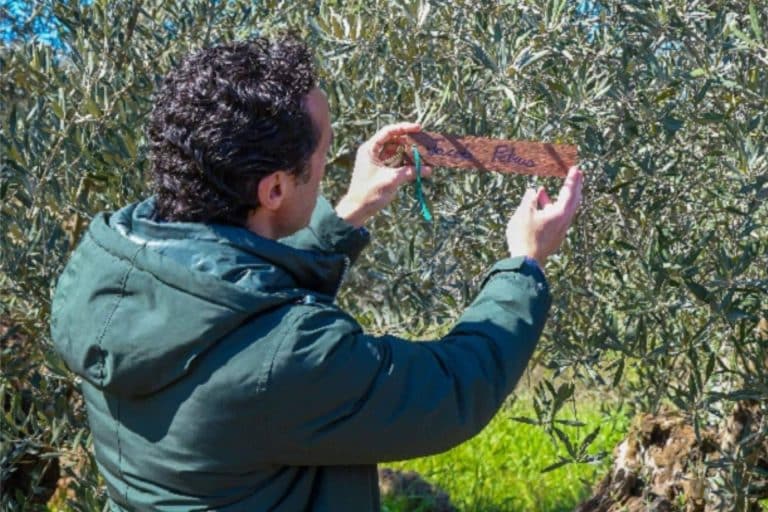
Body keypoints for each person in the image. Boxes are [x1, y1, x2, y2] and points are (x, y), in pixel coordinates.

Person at [50, 35, 583, 511]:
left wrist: (349, 208)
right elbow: (449, 392)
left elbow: (230, 284)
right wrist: (524, 263)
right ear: (274, 190)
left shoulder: (107, 261)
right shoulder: (285, 357)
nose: (331, 164)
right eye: (326, 151)